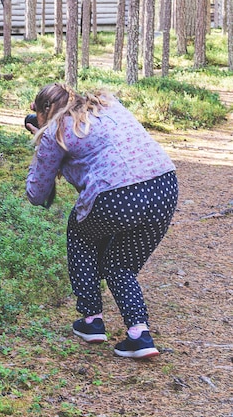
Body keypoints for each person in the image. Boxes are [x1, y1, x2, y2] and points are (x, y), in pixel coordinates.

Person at [25, 83, 178, 359]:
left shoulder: (55, 132)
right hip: (164, 185)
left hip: (118, 195)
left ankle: (91, 320)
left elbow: (36, 194)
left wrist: (42, 144)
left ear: (44, 111)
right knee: (121, 264)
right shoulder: (107, 104)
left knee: (80, 234)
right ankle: (139, 335)